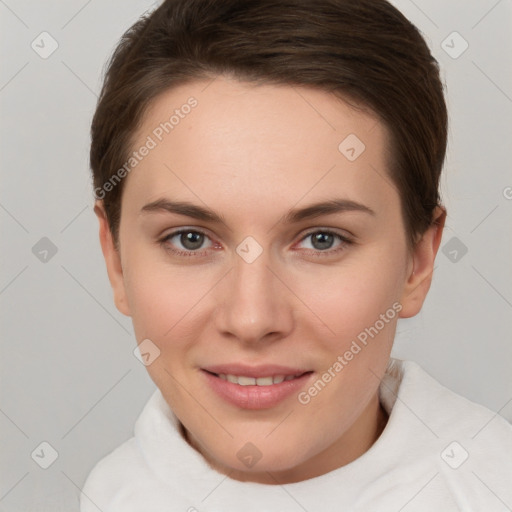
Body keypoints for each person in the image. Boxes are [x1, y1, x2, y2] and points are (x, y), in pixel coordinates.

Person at [81, 0, 512, 510]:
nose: (251, 318)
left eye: (322, 239)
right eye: (190, 239)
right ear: (116, 259)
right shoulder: (112, 493)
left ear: (418, 260)